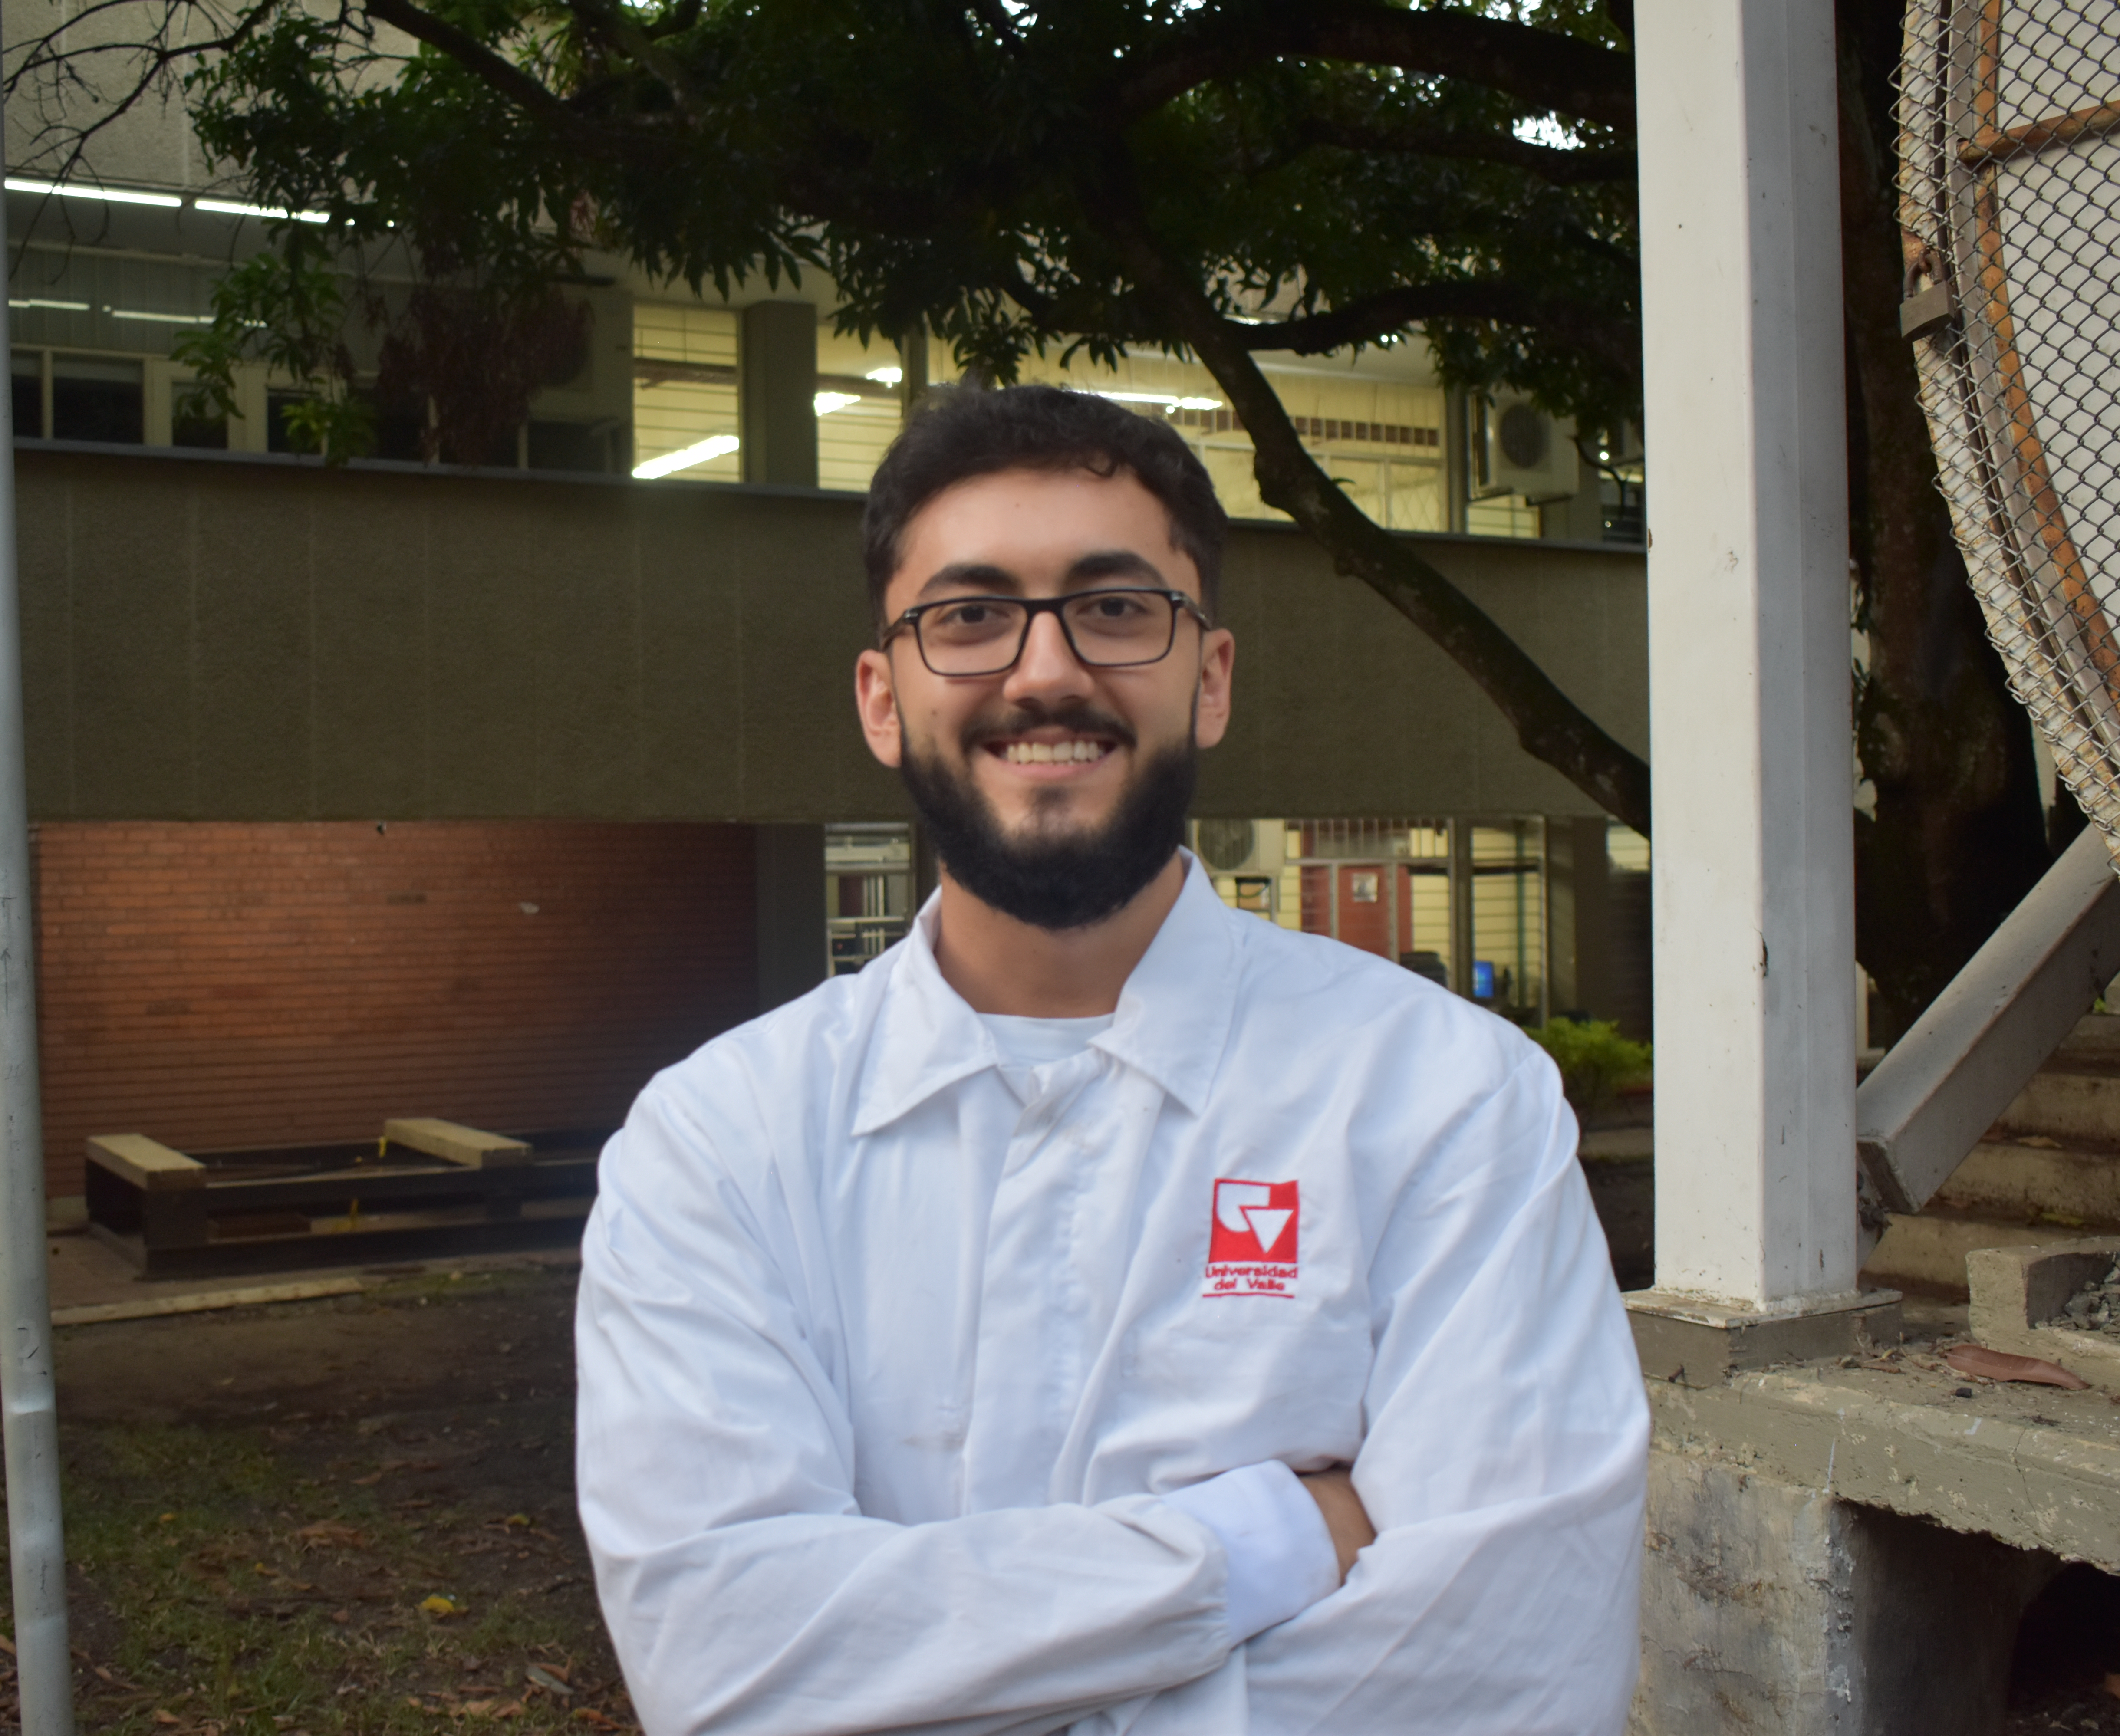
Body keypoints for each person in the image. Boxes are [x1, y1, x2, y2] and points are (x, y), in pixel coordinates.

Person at [576, 385, 1649, 1735]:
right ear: (883, 699)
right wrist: (1268, 1538)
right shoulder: (720, 1145)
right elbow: (725, 1667)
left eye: (1117, 607)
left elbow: (1512, 1674)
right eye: (969, 617)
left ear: (1211, 679)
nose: (1044, 671)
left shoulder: (1446, 1100)